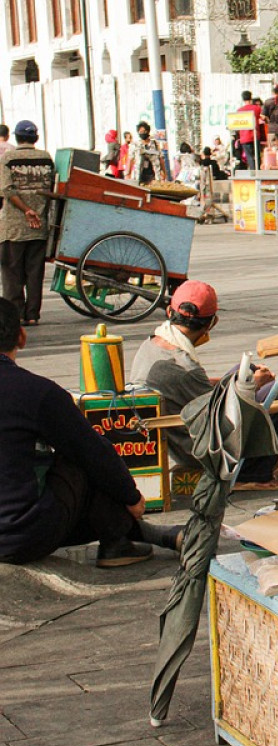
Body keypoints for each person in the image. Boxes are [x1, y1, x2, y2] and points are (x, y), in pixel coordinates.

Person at [0, 299, 181, 567]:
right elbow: (92, 451)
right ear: (22, 337)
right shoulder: (36, 392)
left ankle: (128, 537)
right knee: (81, 457)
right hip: (20, 536)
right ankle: (119, 541)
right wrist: (131, 497)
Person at [128, 281, 278, 492]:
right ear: (212, 323)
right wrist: (254, 384)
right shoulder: (184, 366)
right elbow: (220, 415)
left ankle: (264, 457)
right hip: (198, 445)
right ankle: (250, 472)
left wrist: (241, 377)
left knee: (244, 369)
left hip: (180, 427)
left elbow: (194, 388)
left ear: (169, 312)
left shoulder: (151, 344)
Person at [0, 120, 56, 327]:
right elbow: (51, 187)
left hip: (14, 227)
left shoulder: (8, 158)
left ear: (16, 137)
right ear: (36, 138)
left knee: (12, 274)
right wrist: (36, 211)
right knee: (34, 273)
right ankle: (32, 314)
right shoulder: (46, 158)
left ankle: (15, 316)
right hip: (39, 226)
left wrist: (26, 211)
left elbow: (7, 190)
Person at [235, 90, 262, 170]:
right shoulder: (256, 108)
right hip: (255, 135)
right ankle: (258, 172)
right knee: (257, 156)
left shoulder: (239, 111)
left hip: (244, 137)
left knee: (249, 157)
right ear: (251, 98)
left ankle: (253, 172)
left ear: (243, 99)